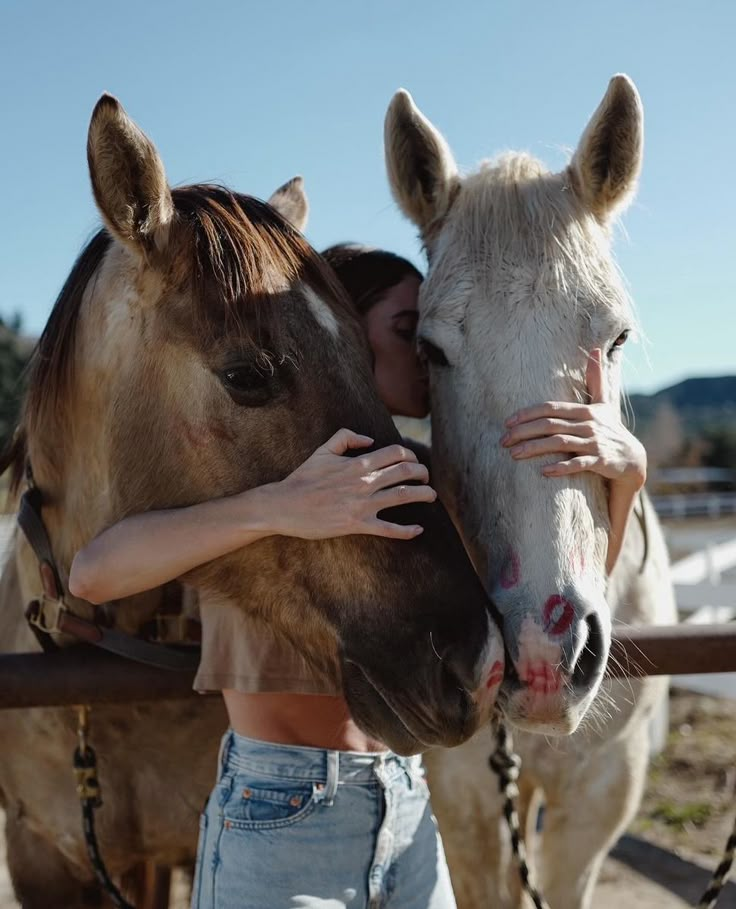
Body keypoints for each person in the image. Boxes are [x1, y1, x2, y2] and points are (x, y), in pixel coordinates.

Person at [69, 243, 646, 909]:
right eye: (408, 332)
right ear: (345, 326)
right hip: (280, 812)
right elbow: (94, 572)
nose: (427, 356)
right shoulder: (256, 464)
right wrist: (277, 508)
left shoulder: (421, 474)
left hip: (405, 801)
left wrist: (628, 475)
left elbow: (548, 624)